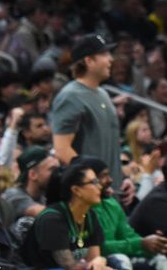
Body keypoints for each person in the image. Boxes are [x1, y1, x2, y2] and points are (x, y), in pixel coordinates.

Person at [51, 34, 125, 193]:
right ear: (88, 61)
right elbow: (62, 149)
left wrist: (123, 179)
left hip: (112, 191)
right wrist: (94, 182)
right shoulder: (70, 96)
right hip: (90, 194)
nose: (111, 59)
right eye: (104, 54)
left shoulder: (103, 94)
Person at [79, 157, 167, 270]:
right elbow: (99, 248)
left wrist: (154, 245)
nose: (110, 180)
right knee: (120, 259)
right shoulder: (83, 209)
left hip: (116, 256)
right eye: (103, 176)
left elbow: (127, 235)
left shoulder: (111, 204)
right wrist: (141, 243)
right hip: (91, 261)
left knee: (159, 259)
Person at [21, 162, 111, 270]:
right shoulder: (52, 219)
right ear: (76, 190)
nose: (100, 186)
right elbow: (69, 265)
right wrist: (94, 264)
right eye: (94, 182)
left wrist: (99, 261)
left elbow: (93, 260)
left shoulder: (90, 215)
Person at [2, 145, 59, 218]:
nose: (57, 174)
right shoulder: (13, 196)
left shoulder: (43, 197)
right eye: (52, 169)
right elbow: (47, 213)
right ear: (33, 174)